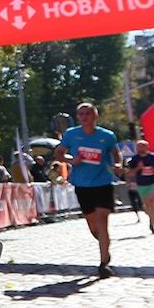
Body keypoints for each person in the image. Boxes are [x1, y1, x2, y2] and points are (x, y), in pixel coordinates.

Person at [54, 102, 121, 277]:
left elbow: (116, 153)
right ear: (78, 117)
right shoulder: (71, 134)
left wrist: (119, 164)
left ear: (95, 116)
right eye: (81, 114)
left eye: (88, 113)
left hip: (103, 183)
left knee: (102, 221)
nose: (85, 117)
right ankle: (104, 245)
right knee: (93, 225)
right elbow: (58, 154)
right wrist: (71, 160)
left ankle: (103, 262)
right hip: (82, 184)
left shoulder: (107, 136)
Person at [126, 139, 154, 234]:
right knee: (147, 205)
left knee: (152, 203)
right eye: (138, 147)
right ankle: (150, 216)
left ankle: (152, 224)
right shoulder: (134, 159)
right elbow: (130, 173)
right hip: (141, 184)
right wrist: (138, 168)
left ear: (147, 147)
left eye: (142, 146)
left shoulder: (153, 157)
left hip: (153, 183)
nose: (140, 149)